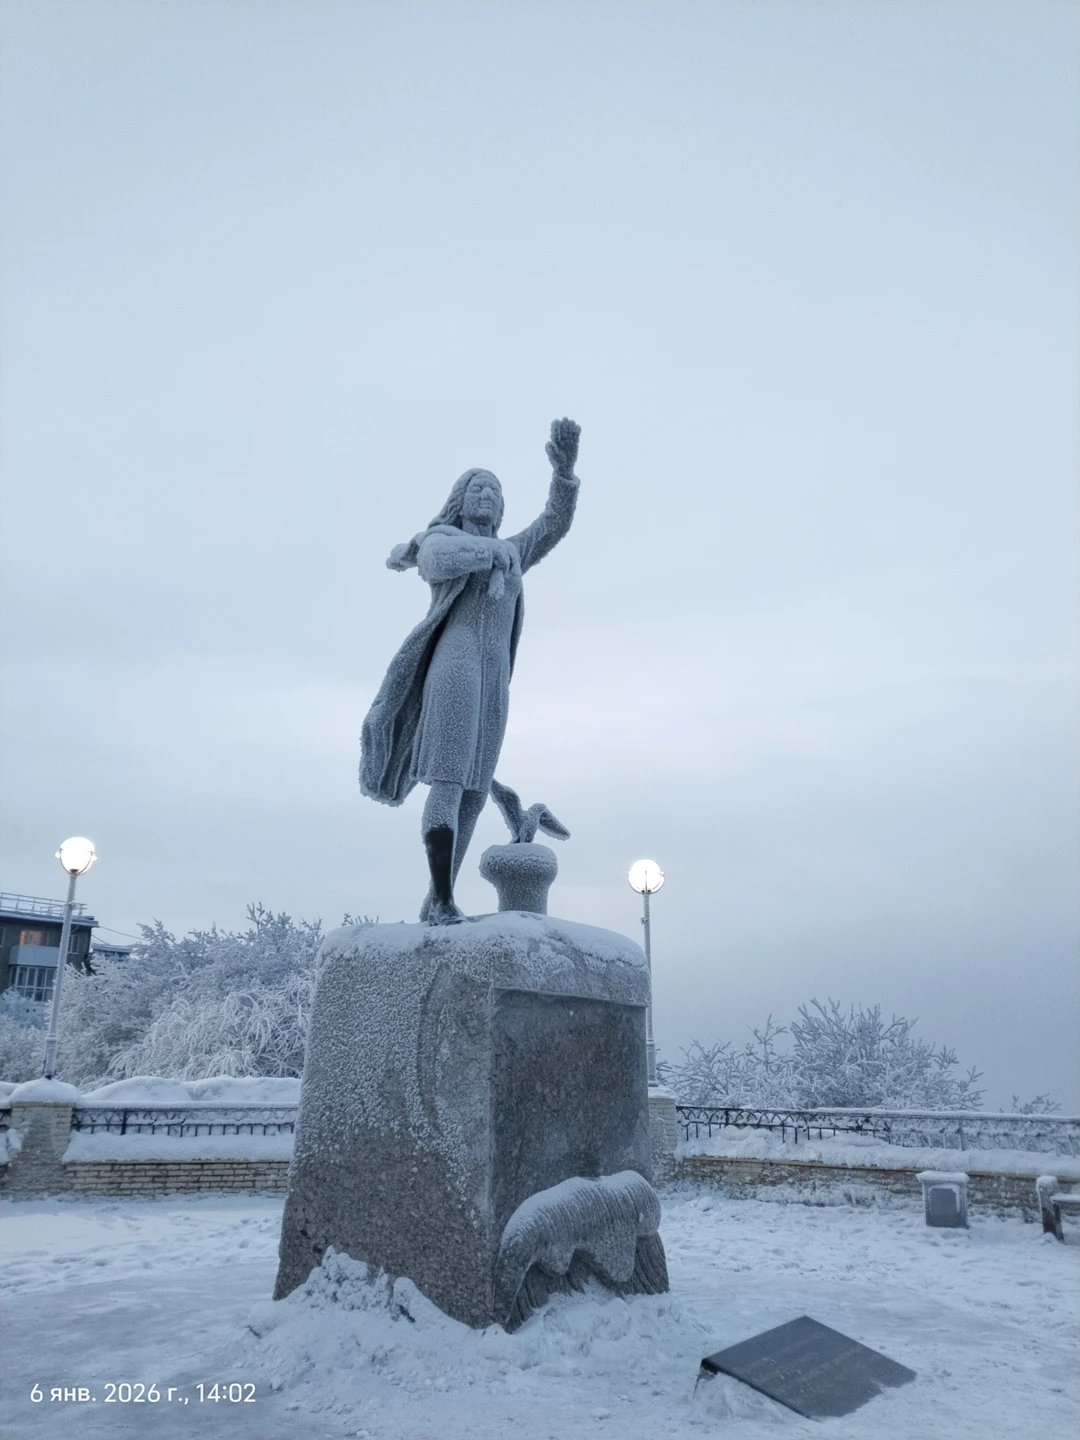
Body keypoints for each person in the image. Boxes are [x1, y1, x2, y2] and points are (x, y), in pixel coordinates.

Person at [360, 418, 581, 923]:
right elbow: (437, 560)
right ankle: (440, 894)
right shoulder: (442, 539)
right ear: (460, 500)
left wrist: (564, 474)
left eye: (497, 492)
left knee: (476, 792)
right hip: (455, 669)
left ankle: (439, 898)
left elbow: (554, 522)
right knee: (449, 779)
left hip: (495, 680)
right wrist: (493, 552)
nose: (488, 495)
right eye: (478, 487)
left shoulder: (515, 553)